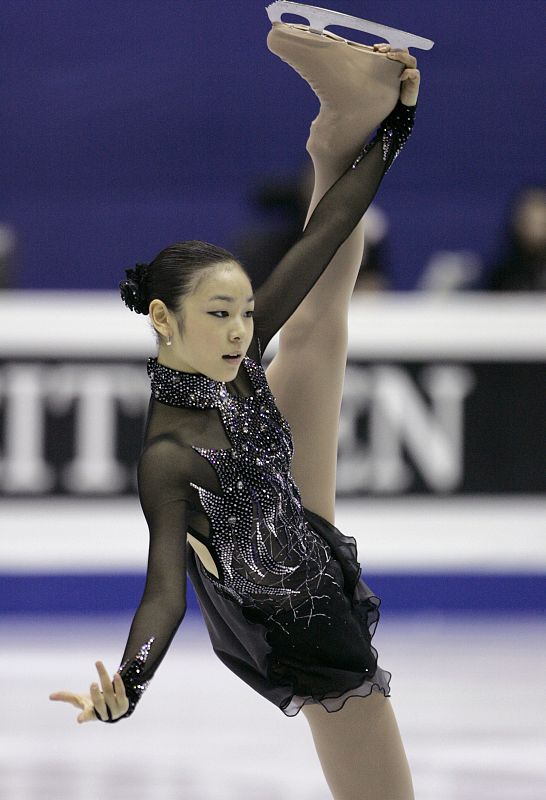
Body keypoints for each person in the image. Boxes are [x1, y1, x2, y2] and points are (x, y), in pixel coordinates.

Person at [50, 14, 421, 800]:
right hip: (296, 616)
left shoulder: (236, 361)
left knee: (320, 325)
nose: (241, 331)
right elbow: (164, 594)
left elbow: (320, 244)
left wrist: (389, 132)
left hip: (298, 530)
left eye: (245, 312)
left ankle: (342, 122)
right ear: (164, 320)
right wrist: (129, 684)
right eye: (220, 315)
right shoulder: (169, 456)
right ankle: (350, 119)